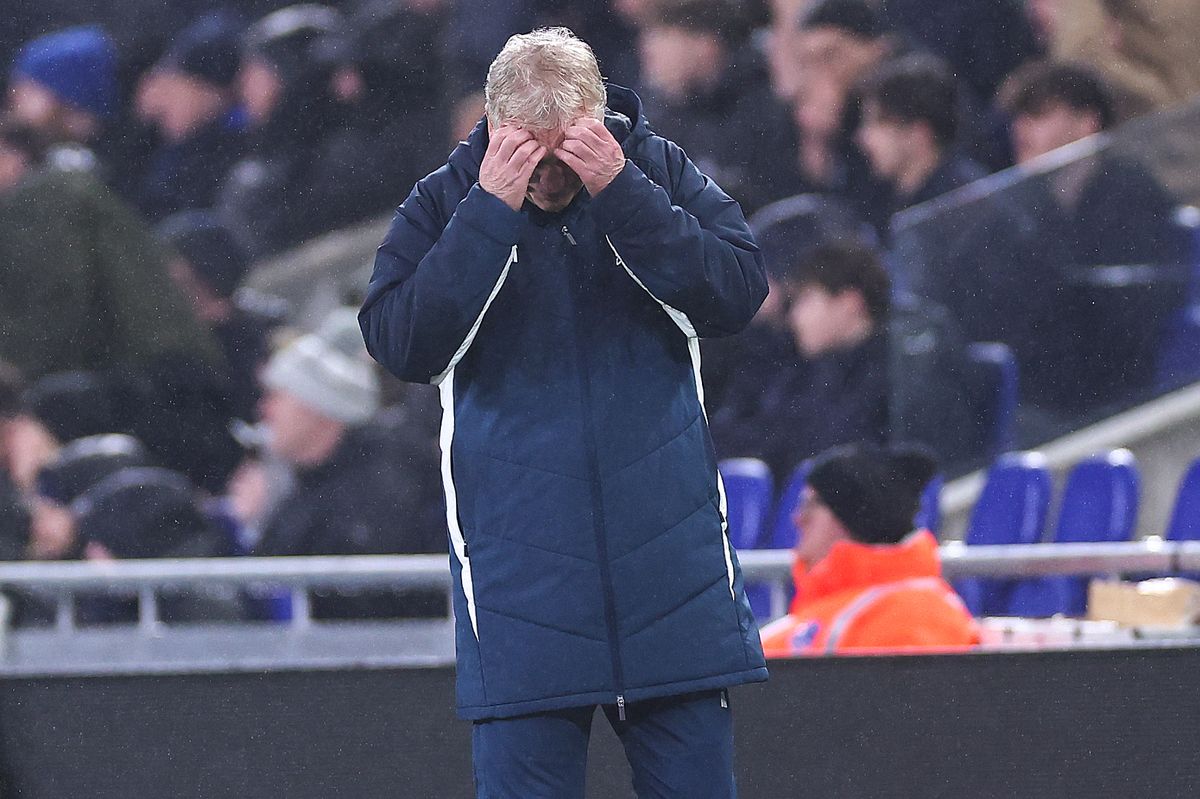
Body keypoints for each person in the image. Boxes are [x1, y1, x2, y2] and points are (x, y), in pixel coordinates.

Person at [359, 27, 768, 799]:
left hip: (670, 580)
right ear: (492, 126)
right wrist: (488, 214)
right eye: (531, 153)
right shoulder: (449, 198)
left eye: (567, 149)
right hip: (522, 592)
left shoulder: (653, 171)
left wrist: (624, 190)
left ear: (599, 118)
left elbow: (737, 291)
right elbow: (399, 344)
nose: (550, 175)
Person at [241, 308, 445, 619]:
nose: (264, 408)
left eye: (277, 395)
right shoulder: (316, 481)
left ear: (316, 407)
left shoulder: (382, 486)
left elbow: (364, 607)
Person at [760, 443, 980, 656]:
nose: (798, 518)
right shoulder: (839, 605)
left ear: (852, 515)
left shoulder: (914, 614)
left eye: (810, 504)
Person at [710, 240, 889, 481]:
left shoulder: (893, 373)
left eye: (806, 299)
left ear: (849, 303)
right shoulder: (808, 370)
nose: (795, 317)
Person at [132, 13, 247, 221]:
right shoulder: (178, 150)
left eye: (169, 82)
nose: (154, 97)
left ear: (205, 87)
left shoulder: (242, 133)